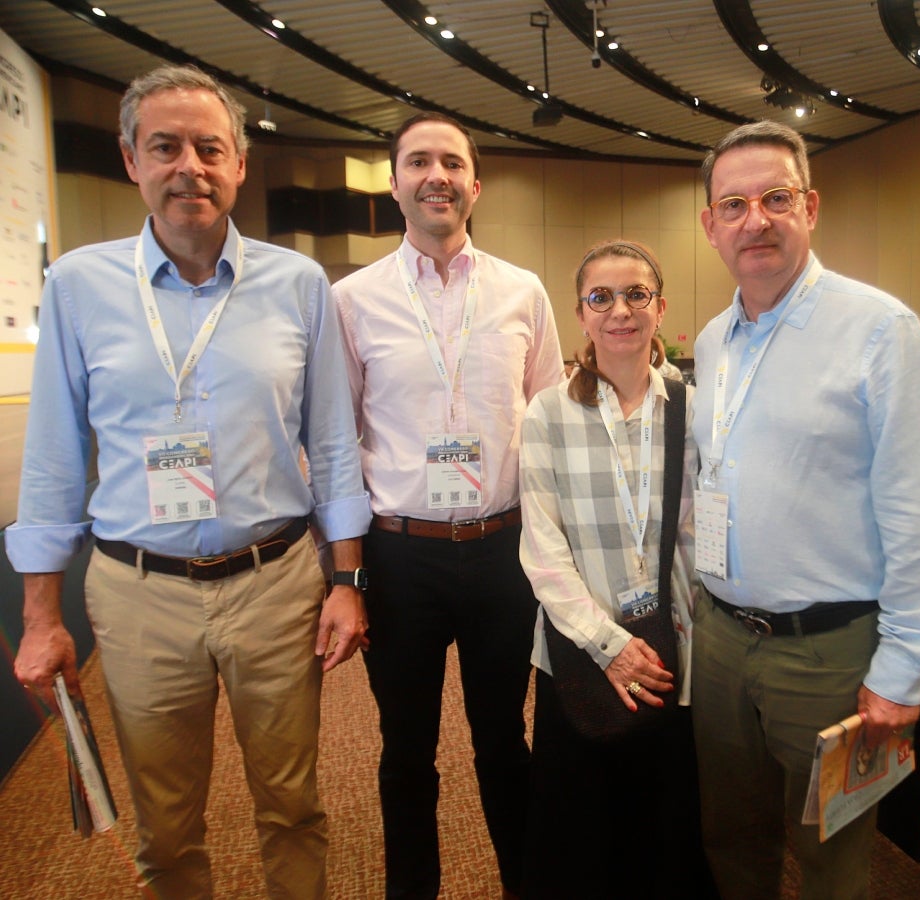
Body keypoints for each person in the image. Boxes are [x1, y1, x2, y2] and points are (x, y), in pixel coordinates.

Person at [7, 65, 371, 897]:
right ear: (131, 160)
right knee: (165, 826)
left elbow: (334, 445)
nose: (189, 168)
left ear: (240, 164)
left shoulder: (298, 284)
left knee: (292, 806)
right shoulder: (78, 286)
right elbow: (55, 462)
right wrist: (39, 617)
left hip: (275, 584)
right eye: (165, 147)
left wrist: (345, 578)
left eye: (211, 149)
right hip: (139, 594)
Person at [691, 120, 920, 898]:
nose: (756, 218)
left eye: (775, 197)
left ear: (809, 207)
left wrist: (905, 667)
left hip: (829, 653)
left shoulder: (878, 328)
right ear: (710, 227)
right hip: (719, 637)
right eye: (734, 204)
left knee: (830, 858)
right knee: (730, 839)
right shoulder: (713, 341)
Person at [333, 112, 564, 900]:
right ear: (394, 183)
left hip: (503, 553)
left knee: (505, 740)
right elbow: (336, 448)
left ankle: (524, 884)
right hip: (401, 556)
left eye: (453, 162)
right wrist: (348, 577)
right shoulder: (352, 300)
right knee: (406, 750)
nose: (437, 174)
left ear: (475, 183)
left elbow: (551, 425)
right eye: (418, 161)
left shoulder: (522, 292)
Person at [518, 240, 714, 899]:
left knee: (665, 838)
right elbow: (542, 550)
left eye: (636, 294)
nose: (620, 310)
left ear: (660, 307)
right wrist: (609, 645)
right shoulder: (548, 412)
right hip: (579, 654)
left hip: (671, 655)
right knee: (582, 842)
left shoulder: (692, 408)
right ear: (580, 313)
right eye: (601, 297)